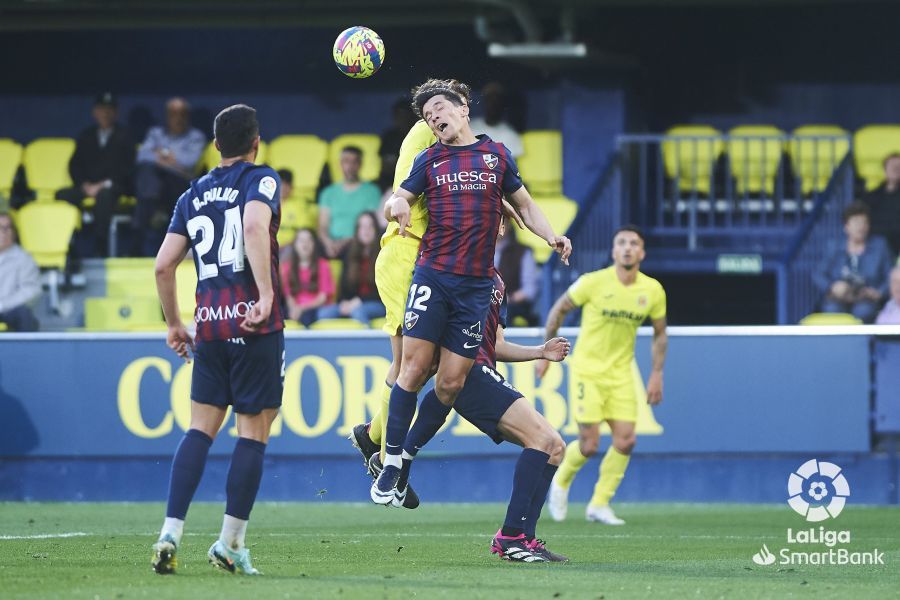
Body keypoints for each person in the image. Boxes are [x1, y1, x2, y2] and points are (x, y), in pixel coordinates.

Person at [371, 78, 572, 506]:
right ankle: (389, 463)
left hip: (475, 287)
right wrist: (397, 204)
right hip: (433, 277)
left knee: (449, 383)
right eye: (428, 117)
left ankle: (404, 458)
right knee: (413, 367)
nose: (435, 119)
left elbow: (525, 205)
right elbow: (396, 198)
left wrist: (551, 236)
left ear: (463, 109)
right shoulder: (429, 159)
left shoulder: (497, 156)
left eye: (440, 110)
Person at [384, 218, 571, 562]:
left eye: (495, 216)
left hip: (482, 370)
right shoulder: (445, 269)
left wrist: (540, 352)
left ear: (500, 228)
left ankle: (523, 537)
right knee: (544, 441)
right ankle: (511, 537)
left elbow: (495, 345)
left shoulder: (496, 280)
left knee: (555, 448)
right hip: (468, 373)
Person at [151, 104, 284, 576]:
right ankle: (230, 543)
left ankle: (170, 531)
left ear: (215, 146)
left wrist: (174, 323)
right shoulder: (260, 178)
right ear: (256, 142)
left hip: (208, 325)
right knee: (253, 432)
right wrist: (265, 295)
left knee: (199, 429)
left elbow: (163, 265)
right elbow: (253, 226)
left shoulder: (192, 193)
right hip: (252, 323)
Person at [348, 80, 473, 511]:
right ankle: (385, 455)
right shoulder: (426, 135)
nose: (441, 116)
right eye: (435, 109)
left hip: (420, 258)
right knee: (413, 364)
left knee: (420, 364)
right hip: (406, 252)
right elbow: (408, 190)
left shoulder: (447, 138)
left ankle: (375, 440)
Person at [539, 225, 667, 526]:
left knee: (626, 440)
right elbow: (558, 310)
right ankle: (561, 481)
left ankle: (599, 504)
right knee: (589, 445)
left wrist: (657, 374)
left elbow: (660, 333)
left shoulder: (652, 290)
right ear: (613, 251)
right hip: (588, 371)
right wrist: (545, 351)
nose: (627, 248)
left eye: (633, 243)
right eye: (621, 243)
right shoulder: (593, 282)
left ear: (642, 252)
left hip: (622, 374)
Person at [56, 92, 135, 256]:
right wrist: (84, 185)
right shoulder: (86, 135)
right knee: (61, 195)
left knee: (104, 196)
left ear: (116, 112)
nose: (105, 113)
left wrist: (102, 185)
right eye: (101, 109)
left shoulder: (126, 135)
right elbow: (75, 165)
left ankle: (101, 247)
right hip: (88, 187)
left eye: (109, 109)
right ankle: (67, 246)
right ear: (95, 112)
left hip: (115, 187)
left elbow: (128, 168)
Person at [132, 97, 206, 256]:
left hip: (181, 184)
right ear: (167, 116)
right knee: (147, 172)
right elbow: (142, 156)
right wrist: (171, 159)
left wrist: (160, 155)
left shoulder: (196, 136)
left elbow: (189, 162)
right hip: (156, 183)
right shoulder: (155, 133)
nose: (178, 118)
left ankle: (149, 221)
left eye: (182, 114)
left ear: (188, 116)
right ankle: (155, 207)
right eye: (173, 114)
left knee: (151, 180)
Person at [813, 201, 894, 323]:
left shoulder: (880, 246)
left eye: (864, 222)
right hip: (839, 299)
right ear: (846, 226)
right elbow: (818, 274)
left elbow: (891, 275)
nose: (861, 227)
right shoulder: (834, 247)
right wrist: (832, 286)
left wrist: (879, 292)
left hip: (867, 300)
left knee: (863, 311)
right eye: (856, 222)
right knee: (832, 310)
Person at [318, 211, 385, 325]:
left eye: (370, 226)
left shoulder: (383, 254)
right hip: (353, 303)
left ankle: (366, 337)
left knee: (358, 312)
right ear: (357, 230)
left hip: (377, 303)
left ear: (376, 229)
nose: (366, 230)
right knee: (324, 313)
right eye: (362, 227)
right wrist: (345, 303)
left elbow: (383, 291)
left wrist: (360, 301)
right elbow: (344, 286)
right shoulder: (349, 253)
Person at [317, 146, 381, 258]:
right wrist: (328, 243)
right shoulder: (328, 193)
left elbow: (372, 225)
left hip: (357, 243)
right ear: (340, 164)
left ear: (360, 164)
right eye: (346, 161)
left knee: (354, 250)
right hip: (332, 243)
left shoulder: (372, 191)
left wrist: (346, 241)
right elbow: (323, 225)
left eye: (354, 162)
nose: (350, 166)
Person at [280, 228, 334, 327]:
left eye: (309, 240)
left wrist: (301, 308)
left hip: (316, 308)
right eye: (301, 240)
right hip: (295, 309)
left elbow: (322, 298)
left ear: (314, 244)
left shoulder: (323, 265)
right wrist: (294, 308)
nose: (305, 244)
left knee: (309, 317)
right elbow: (289, 296)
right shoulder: (287, 267)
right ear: (295, 245)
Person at [0, 212, 40, 331]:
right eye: (0, 228)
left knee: (24, 314)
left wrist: (2, 304)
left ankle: (26, 344)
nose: (3, 232)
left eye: (7, 228)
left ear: (13, 232)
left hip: (9, 310)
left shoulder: (23, 258)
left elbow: (31, 290)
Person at [495, 225, 540, 326]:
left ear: (509, 225)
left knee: (504, 312)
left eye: (502, 220)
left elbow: (529, 290)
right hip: (481, 304)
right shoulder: (477, 251)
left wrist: (508, 299)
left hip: (510, 307)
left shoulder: (523, 252)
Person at [469, 82, 524, 158]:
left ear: (502, 104)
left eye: (496, 100)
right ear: (484, 102)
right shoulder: (469, 128)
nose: (493, 104)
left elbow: (512, 164)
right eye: (489, 99)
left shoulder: (510, 134)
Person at [862, 153, 900, 255]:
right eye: (892, 166)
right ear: (885, 170)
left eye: (899, 166)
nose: (896, 169)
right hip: (877, 246)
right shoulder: (871, 196)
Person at [378, 98, 418, 191]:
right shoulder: (390, 137)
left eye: (406, 115)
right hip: (391, 182)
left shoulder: (419, 134)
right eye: (399, 115)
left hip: (416, 180)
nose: (403, 119)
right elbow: (387, 166)